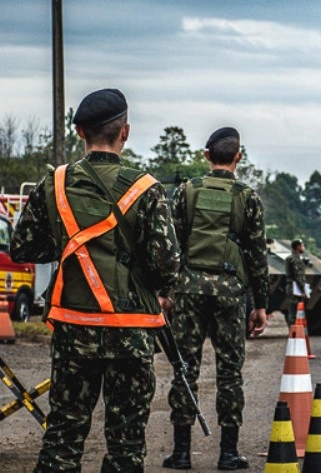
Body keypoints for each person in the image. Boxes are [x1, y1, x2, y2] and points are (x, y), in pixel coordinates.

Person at [10, 88, 181, 473]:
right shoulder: (147, 189)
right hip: (132, 329)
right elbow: (167, 265)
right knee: (126, 442)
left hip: (74, 326)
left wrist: (68, 240)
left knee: (64, 434)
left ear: (81, 133)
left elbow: (23, 247)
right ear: (126, 132)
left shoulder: (53, 184)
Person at [164, 127, 269, 470]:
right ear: (238, 157)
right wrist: (261, 305)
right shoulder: (247, 197)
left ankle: (181, 453)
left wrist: (166, 292)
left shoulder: (186, 191)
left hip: (189, 290)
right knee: (229, 372)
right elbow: (256, 255)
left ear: (207, 156)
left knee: (184, 368)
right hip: (230, 293)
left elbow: (171, 245)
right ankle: (228, 452)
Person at [284, 238, 308, 328]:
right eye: (302, 245)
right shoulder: (295, 259)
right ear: (298, 247)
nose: (303, 247)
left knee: (293, 309)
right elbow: (298, 276)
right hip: (295, 287)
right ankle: (294, 330)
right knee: (294, 310)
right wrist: (303, 291)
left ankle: (294, 329)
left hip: (292, 286)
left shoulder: (291, 258)